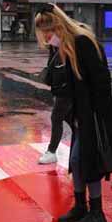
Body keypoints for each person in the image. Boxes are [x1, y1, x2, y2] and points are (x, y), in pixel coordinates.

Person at [35, 3, 112, 222]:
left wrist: (92, 115)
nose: (46, 36)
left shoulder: (82, 41)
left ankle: (97, 213)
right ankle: (82, 207)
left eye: (48, 30)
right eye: (43, 32)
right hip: (81, 114)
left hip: (94, 114)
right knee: (76, 160)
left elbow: (100, 83)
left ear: (58, 25)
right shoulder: (67, 45)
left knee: (87, 161)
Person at [38, 32, 73, 164]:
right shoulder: (54, 44)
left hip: (66, 89)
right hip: (59, 88)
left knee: (57, 117)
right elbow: (52, 64)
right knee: (68, 117)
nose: (45, 36)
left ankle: (52, 151)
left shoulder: (65, 43)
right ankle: (83, 141)